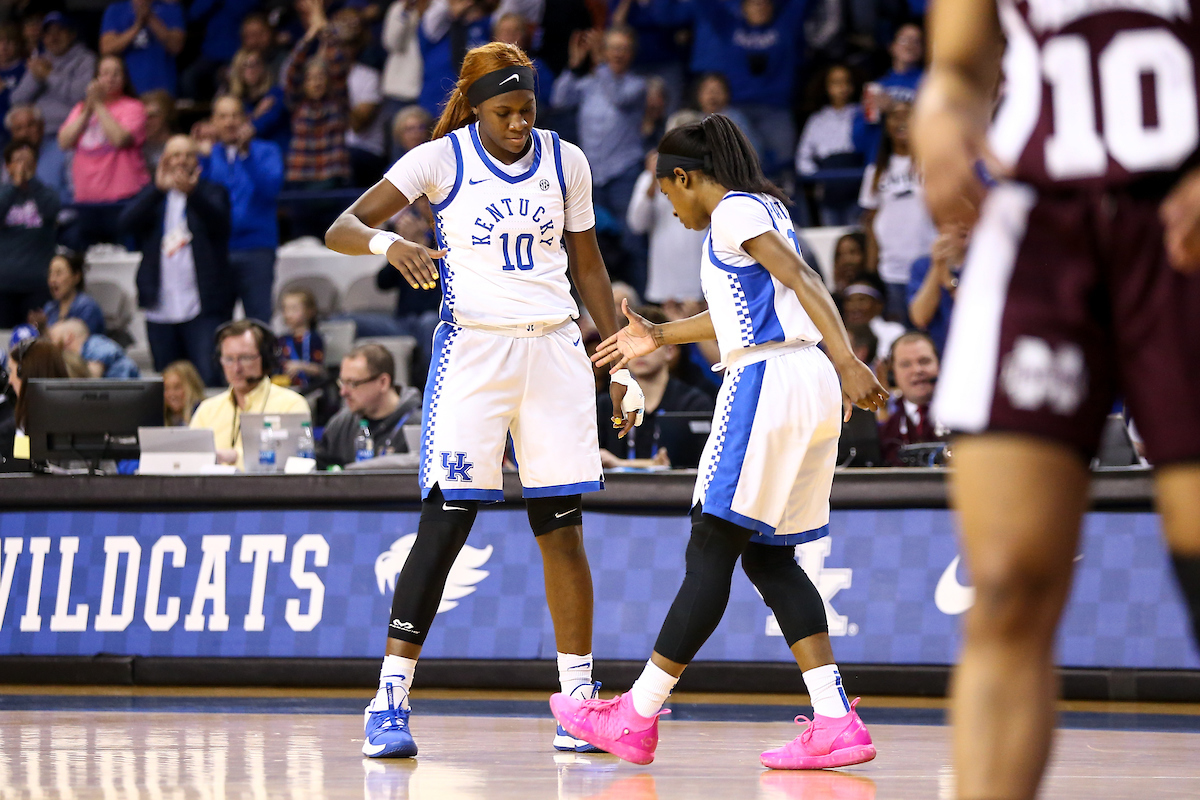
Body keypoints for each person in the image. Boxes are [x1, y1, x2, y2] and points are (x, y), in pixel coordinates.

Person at [324, 41, 645, 759]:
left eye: (527, 109)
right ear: (475, 106)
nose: (518, 124)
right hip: (475, 351)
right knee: (446, 523)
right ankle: (390, 699)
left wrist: (618, 361)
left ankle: (578, 701)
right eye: (505, 111)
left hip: (555, 351)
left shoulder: (566, 160)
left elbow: (589, 265)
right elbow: (340, 225)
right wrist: (386, 246)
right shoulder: (438, 159)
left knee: (562, 527)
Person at [913, 1, 1200, 797]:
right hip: (1039, 227)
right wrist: (942, 114)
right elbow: (963, 65)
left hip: (1180, 213)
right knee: (1006, 580)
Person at [550, 114, 888, 769]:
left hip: (771, 378)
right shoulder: (762, 208)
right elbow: (746, 307)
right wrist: (661, 333)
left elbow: (803, 280)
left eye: (666, 191)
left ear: (686, 176)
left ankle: (636, 713)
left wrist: (851, 358)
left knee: (711, 544)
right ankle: (834, 719)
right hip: (806, 378)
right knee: (768, 557)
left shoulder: (732, 211)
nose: (668, 206)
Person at [120, 134, 233, 387]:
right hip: (160, 307)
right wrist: (156, 191)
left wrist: (193, 194)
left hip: (202, 307)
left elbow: (221, 226)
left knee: (208, 379)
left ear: (197, 160)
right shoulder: (154, 197)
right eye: (174, 155)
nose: (181, 160)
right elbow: (125, 224)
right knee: (167, 381)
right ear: (163, 161)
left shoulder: (213, 191)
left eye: (187, 154)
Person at [551, 26, 648, 288]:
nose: (618, 54)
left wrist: (599, 62)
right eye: (613, 48)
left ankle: (643, 302)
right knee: (590, 243)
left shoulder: (637, 85)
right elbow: (559, 99)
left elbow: (617, 97)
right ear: (605, 50)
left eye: (623, 49)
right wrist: (574, 65)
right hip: (591, 174)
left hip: (624, 172)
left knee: (631, 240)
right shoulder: (589, 83)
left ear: (631, 54)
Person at [596, 305, 714, 469]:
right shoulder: (605, 405)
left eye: (647, 342)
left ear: (670, 351)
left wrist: (620, 463)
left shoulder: (694, 404)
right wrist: (652, 464)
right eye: (631, 343)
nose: (640, 351)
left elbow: (698, 464)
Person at [201, 95, 284, 324]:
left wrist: (246, 155)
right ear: (213, 122)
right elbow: (198, 200)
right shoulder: (206, 155)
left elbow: (271, 189)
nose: (229, 122)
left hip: (257, 249)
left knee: (259, 322)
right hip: (216, 252)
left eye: (235, 115)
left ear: (247, 119)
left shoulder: (267, 150)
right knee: (216, 325)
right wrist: (203, 159)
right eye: (223, 116)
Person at [190, 319, 310, 469]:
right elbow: (191, 463)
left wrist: (235, 457)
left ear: (265, 359)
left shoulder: (291, 405)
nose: (236, 368)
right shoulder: (207, 411)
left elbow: (297, 462)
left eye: (245, 358)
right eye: (229, 359)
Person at [58, 54, 149, 249]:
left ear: (124, 79)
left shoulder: (134, 108)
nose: (111, 78)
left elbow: (119, 139)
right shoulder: (81, 109)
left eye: (117, 73)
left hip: (123, 201)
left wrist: (98, 105)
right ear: (96, 78)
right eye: (105, 73)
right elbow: (64, 141)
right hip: (86, 202)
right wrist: (88, 109)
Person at [858, 100, 935, 324]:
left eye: (907, 115)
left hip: (927, 263)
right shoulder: (876, 171)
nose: (901, 121)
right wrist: (872, 267)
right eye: (894, 116)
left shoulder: (933, 164)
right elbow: (870, 221)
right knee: (900, 333)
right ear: (886, 125)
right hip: (890, 269)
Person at [628, 112, 706, 306]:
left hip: (704, 277)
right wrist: (653, 181)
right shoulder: (649, 178)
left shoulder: (712, 178)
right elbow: (636, 224)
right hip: (666, 282)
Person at [314, 343, 422, 468]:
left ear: (383, 382)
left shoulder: (419, 426)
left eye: (353, 383)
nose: (343, 392)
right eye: (342, 382)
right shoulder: (341, 424)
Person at [10, 13, 95, 168]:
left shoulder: (86, 59)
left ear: (72, 34)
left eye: (59, 31)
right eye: (48, 33)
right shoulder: (42, 60)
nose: (53, 37)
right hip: (35, 135)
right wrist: (36, 77)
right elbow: (17, 100)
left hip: (68, 133)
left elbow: (82, 96)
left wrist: (49, 75)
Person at [283, 0, 351, 190]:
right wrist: (310, 35)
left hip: (333, 180)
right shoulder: (296, 103)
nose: (316, 82)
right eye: (311, 78)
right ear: (304, 83)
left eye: (321, 77)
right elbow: (292, 70)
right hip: (301, 179)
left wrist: (324, 30)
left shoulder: (338, 101)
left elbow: (337, 63)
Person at [0, 139, 59, 327]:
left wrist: (31, 182)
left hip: (38, 284)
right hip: (4, 285)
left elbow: (51, 211)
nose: (23, 166)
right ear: (8, 166)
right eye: (18, 161)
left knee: (36, 344)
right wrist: (14, 186)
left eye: (28, 161)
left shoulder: (47, 192)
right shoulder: (3, 194)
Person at [796, 64, 863, 226]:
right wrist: (819, 177)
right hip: (829, 188)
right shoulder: (818, 120)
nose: (841, 87)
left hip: (856, 184)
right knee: (831, 238)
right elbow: (803, 157)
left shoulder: (860, 114)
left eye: (846, 82)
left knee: (857, 234)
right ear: (826, 87)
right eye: (835, 82)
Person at [851, 22, 923, 162]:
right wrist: (869, 116)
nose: (910, 45)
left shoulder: (930, 83)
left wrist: (893, 107)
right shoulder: (876, 88)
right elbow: (858, 141)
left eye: (917, 41)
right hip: (883, 165)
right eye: (904, 39)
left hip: (920, 162)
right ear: (892, 46)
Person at [877, 332, 944, 466]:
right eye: (906, 364)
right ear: (893, 373)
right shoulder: (884, 429)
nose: (917, 370)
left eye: (924, 361)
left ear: (939, 365)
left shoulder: (963, 417)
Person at [99, 0, 186, 96]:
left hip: (162, 88)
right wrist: (137, 26)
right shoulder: (116, 10)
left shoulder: (170, 8)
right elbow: (107, 49)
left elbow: (176, 47)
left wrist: (150, 18)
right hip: (127, 90)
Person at [907, 226, 965, 355]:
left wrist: (949, 281)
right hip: (939, 353)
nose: (962, 225)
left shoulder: (987, 263)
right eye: (954, 222)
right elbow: (920, 318)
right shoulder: (922, 266)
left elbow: (975, 311)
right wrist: (937, 265)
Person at [223, 48, 290, 156]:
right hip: (247, 157)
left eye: (255, 64)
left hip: (278, 153)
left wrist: (251, 121)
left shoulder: (277, 93)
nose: (251, 70)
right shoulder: (237, 101)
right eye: (245, 65)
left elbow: (270, 119)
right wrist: (257, 113)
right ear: (238, 71)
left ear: (263, 67)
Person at [4, 104, 69, 202]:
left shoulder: (62, 151)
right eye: (18, 128)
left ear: (41, 126)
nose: (25, 133)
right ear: (12, 133)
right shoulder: (6, 159)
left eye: (30, 125)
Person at [39, 249, 105, 335]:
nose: (52, 280)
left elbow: (77, 341)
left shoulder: (87, 308)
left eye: (58, 274)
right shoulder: (49, 308)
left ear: (76, 277)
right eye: (50, 274)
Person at [840, 276, 903, 364]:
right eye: (850, 301)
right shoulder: (839, 332)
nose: (854, 306)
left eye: (862, 300)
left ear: (878, 305)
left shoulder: (893, 331)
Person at [48, 318, 140, 378]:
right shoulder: (85, 353)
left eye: (52, 338)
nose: (49, 343)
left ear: (69, 337)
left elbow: (92, 379)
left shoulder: (94, 344)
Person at [279, 286, 325, 390]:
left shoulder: (314, 339)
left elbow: (319, 369)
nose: (288, 314)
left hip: (311, 390)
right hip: (287, 389)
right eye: (285, 309)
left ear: (309, 311)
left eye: (294, 309)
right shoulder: (282, 340)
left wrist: (300, 366)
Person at [0, 24, 26, 145]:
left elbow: (23, 100)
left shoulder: (25, 69)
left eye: (9, 42)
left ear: (17, 45)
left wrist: (4, 91)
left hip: (15, 131)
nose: (4, 47)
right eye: (0, 42)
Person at [162, 358, 204, 426]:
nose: (171, 394)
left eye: (177, 387)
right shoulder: (160, 419)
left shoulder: (205, 414)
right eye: (166, 388)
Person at [140, 88, 174, 170]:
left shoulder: (180, 145)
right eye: (143, 117)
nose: (146, 122)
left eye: (152, 116)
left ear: (166, 116)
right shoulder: (136, 148)